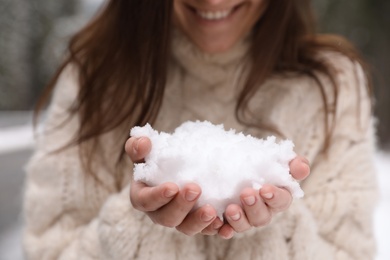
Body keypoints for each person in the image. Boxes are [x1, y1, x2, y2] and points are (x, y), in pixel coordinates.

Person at [23, 0, 378, 259]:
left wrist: (273, 228)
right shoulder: (94, 75)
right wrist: (140, 222)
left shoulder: (332, 84)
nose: (214, 1)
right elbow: (46, 251)